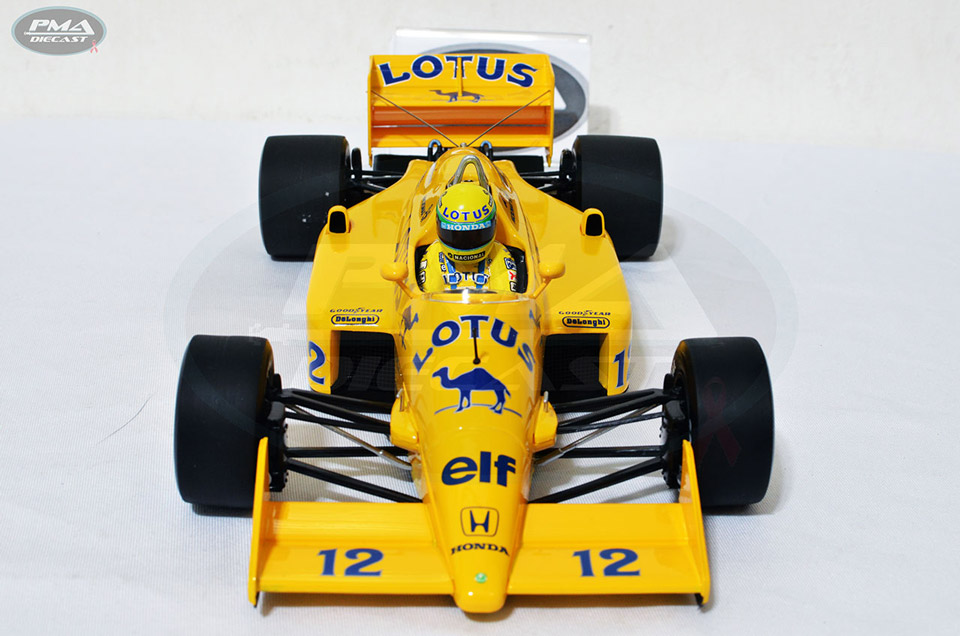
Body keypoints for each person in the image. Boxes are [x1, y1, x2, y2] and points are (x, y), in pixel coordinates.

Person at [417, 179, 519, 293]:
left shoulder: (499, 253)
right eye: (456, 235)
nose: (465, 242)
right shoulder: (433, 254)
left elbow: (506, 297)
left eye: (476, 235)